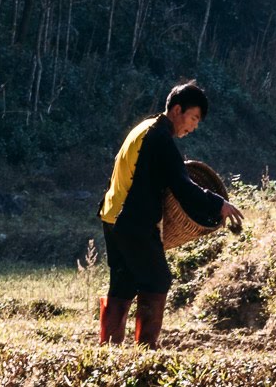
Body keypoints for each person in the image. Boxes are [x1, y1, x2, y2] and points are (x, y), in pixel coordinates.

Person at [97, 80, 245, 346]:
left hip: (112, 216)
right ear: (177, 110)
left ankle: (109, 350)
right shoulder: (160, 139)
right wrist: (218, 204)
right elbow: (183, 187)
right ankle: (146, 350)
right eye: (193, 117)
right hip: (134, 221)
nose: (194, 126)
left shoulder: (143, 129)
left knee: (124, 283)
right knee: (157, 279)